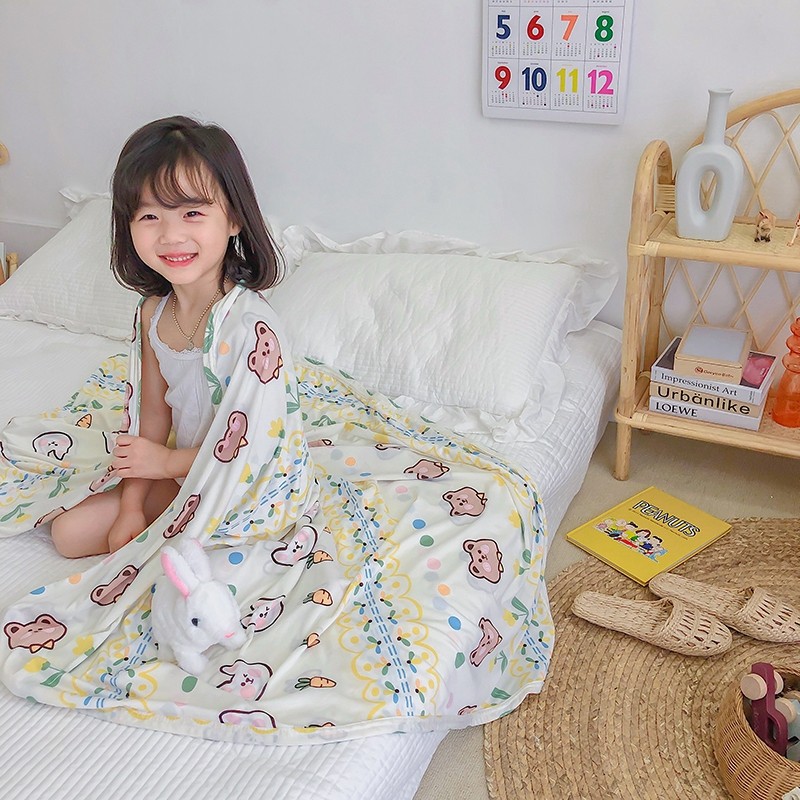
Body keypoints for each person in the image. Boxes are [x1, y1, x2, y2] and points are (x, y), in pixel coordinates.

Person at [51, 116, 287, 558]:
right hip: (185, 469)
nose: (171, 235)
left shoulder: (250, 327)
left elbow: (256, 449)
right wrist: (132, 505)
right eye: (149, 216)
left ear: (234, 218)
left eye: (192, 213)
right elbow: (153, 416)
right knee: (68, 534)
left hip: (245, 484)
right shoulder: (152, 312)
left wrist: (165, 463)